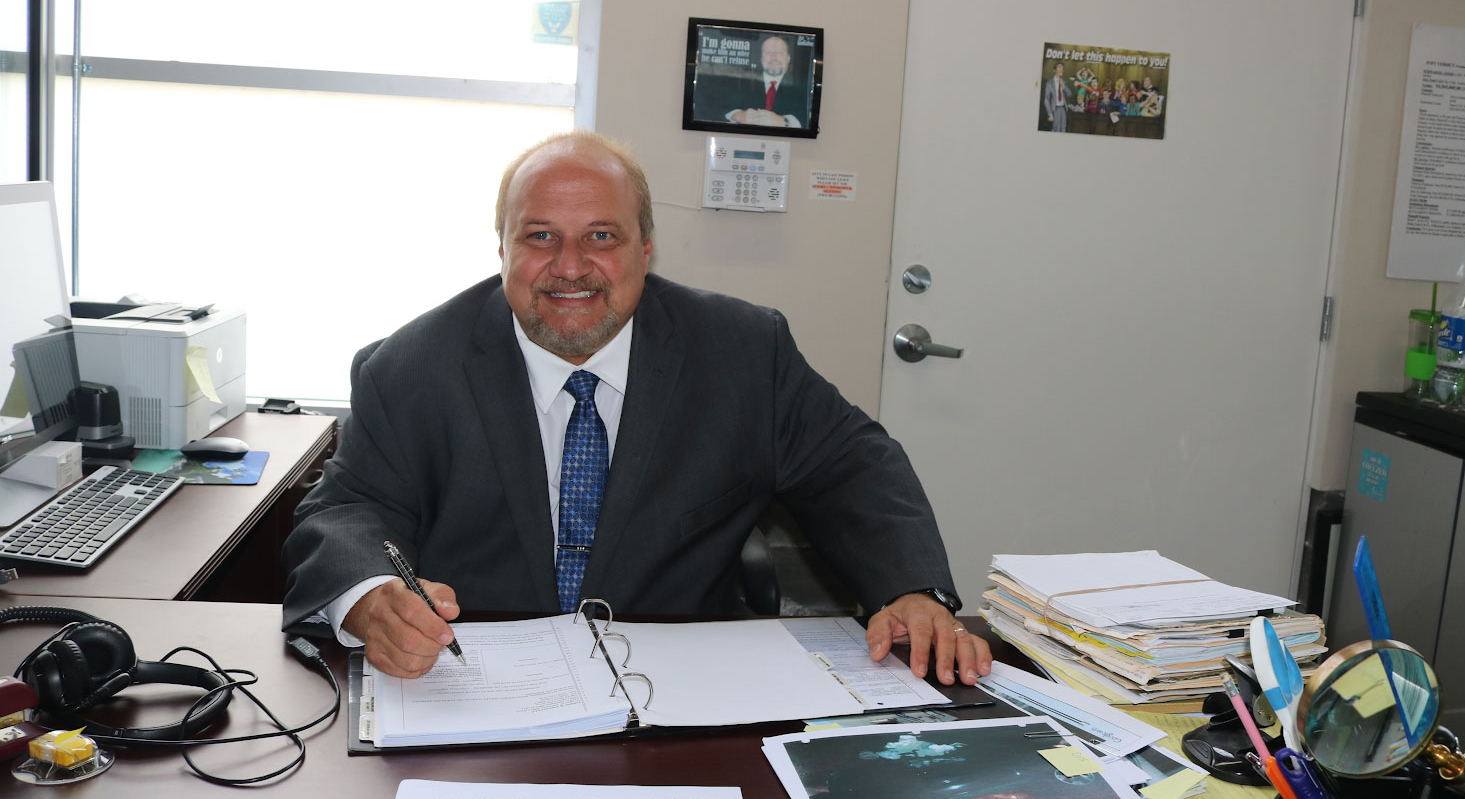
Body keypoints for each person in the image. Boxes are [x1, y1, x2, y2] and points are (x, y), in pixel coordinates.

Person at [282, 131, 991, 689]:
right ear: (500, 247)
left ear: (645, 248)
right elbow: (345, 511)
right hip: (477, 685)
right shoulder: (412, 367)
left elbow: (851, 465)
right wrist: (370, 597)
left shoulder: (743, 352)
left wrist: (909, 588)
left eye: (601, 235)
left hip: (683, 687)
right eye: (539, 236)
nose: (569, 264)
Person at [719, 34, 810, 128]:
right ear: (761, 59)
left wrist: (784, 121)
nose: (774, 57)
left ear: (788, 58)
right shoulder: (743, 81)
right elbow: (719, 105)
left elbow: (808, 117)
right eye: (768, 52)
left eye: (779, 52)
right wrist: (738, 115)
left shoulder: (803, 86)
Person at [1042, 62, 1070, 132]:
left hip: (1063, 108)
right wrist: (1050, 114)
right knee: (1056, 129)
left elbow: (1069, 94)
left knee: (1063, 129)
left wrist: (1063, 86)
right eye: (1059, 67)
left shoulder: (1064, 82)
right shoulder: (1049, 83)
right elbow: (1046, 99)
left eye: (1062, 68)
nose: (1061, 69)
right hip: (1055, 109)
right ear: (1054, 70)